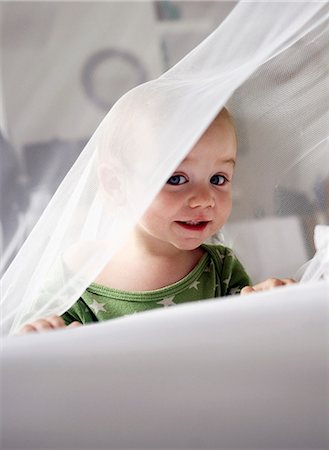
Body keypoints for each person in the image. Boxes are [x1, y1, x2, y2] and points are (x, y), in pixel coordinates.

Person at [18, 108, 295, 334]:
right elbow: (36, 353)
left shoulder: (220, 267)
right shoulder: (77, 275)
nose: (204, 199)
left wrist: (266, 300)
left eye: (218, 179)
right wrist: (39, 332)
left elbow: (250, 336)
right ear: (117, 185)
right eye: (176, 178)